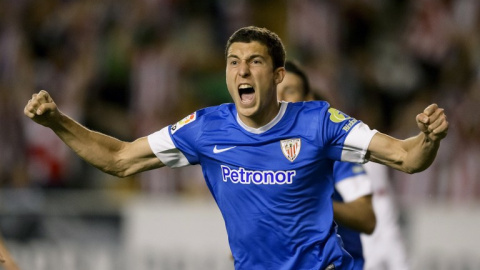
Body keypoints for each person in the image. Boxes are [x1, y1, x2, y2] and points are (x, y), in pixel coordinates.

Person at [24, 26, 448, 269]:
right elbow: (118, 159)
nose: (242, 70)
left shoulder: (320, 122)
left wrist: (428, 138)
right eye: (233, 61)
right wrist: (58, 122)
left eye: (255, 61)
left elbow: (407, 158)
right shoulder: (206, 128)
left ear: (278, 75)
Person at [277, 60, 376, 269]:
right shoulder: (259, 154)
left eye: (290, 91)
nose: (280, 100)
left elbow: (366, 218)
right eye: (274, 92)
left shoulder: (333, 152)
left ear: (309, 100)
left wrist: (315, 203)